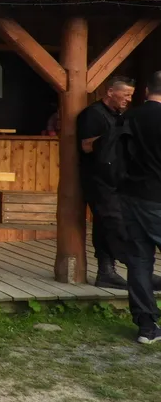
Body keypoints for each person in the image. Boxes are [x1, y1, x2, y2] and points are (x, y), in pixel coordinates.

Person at [76, 75, 136, 289]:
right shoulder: (93, 114)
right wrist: (116, 134)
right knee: (113, 222)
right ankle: (136, 266)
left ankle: (106, 272)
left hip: (117, 179)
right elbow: (86, 146)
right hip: (97, 179)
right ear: (110, 92)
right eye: (126, 94)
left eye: (131, 95)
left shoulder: (120, 115)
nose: (128, 99)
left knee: (104, 224)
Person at [118, 71, 161, 343]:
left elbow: (116, 155)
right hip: (158, 199)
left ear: (145, 90)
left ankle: (146, 327)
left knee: (139, 262)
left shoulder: (128, 118)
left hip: (131, 197)